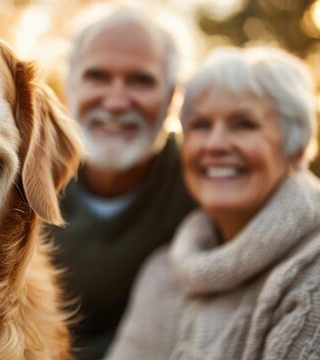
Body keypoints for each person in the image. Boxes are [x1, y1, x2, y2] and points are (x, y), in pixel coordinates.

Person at [106, 46, 320, 359]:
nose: (215, 144)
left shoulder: (311, 275)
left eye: (244, 124)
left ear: (296, 148)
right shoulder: (162, 274)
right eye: (201, 125)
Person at [52, 10, 196, 359]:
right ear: (70, 86)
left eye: (140, 80)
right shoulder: (18, 180)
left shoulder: (203, 183)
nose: (116, 101)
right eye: (97, 76)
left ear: (172, 96)